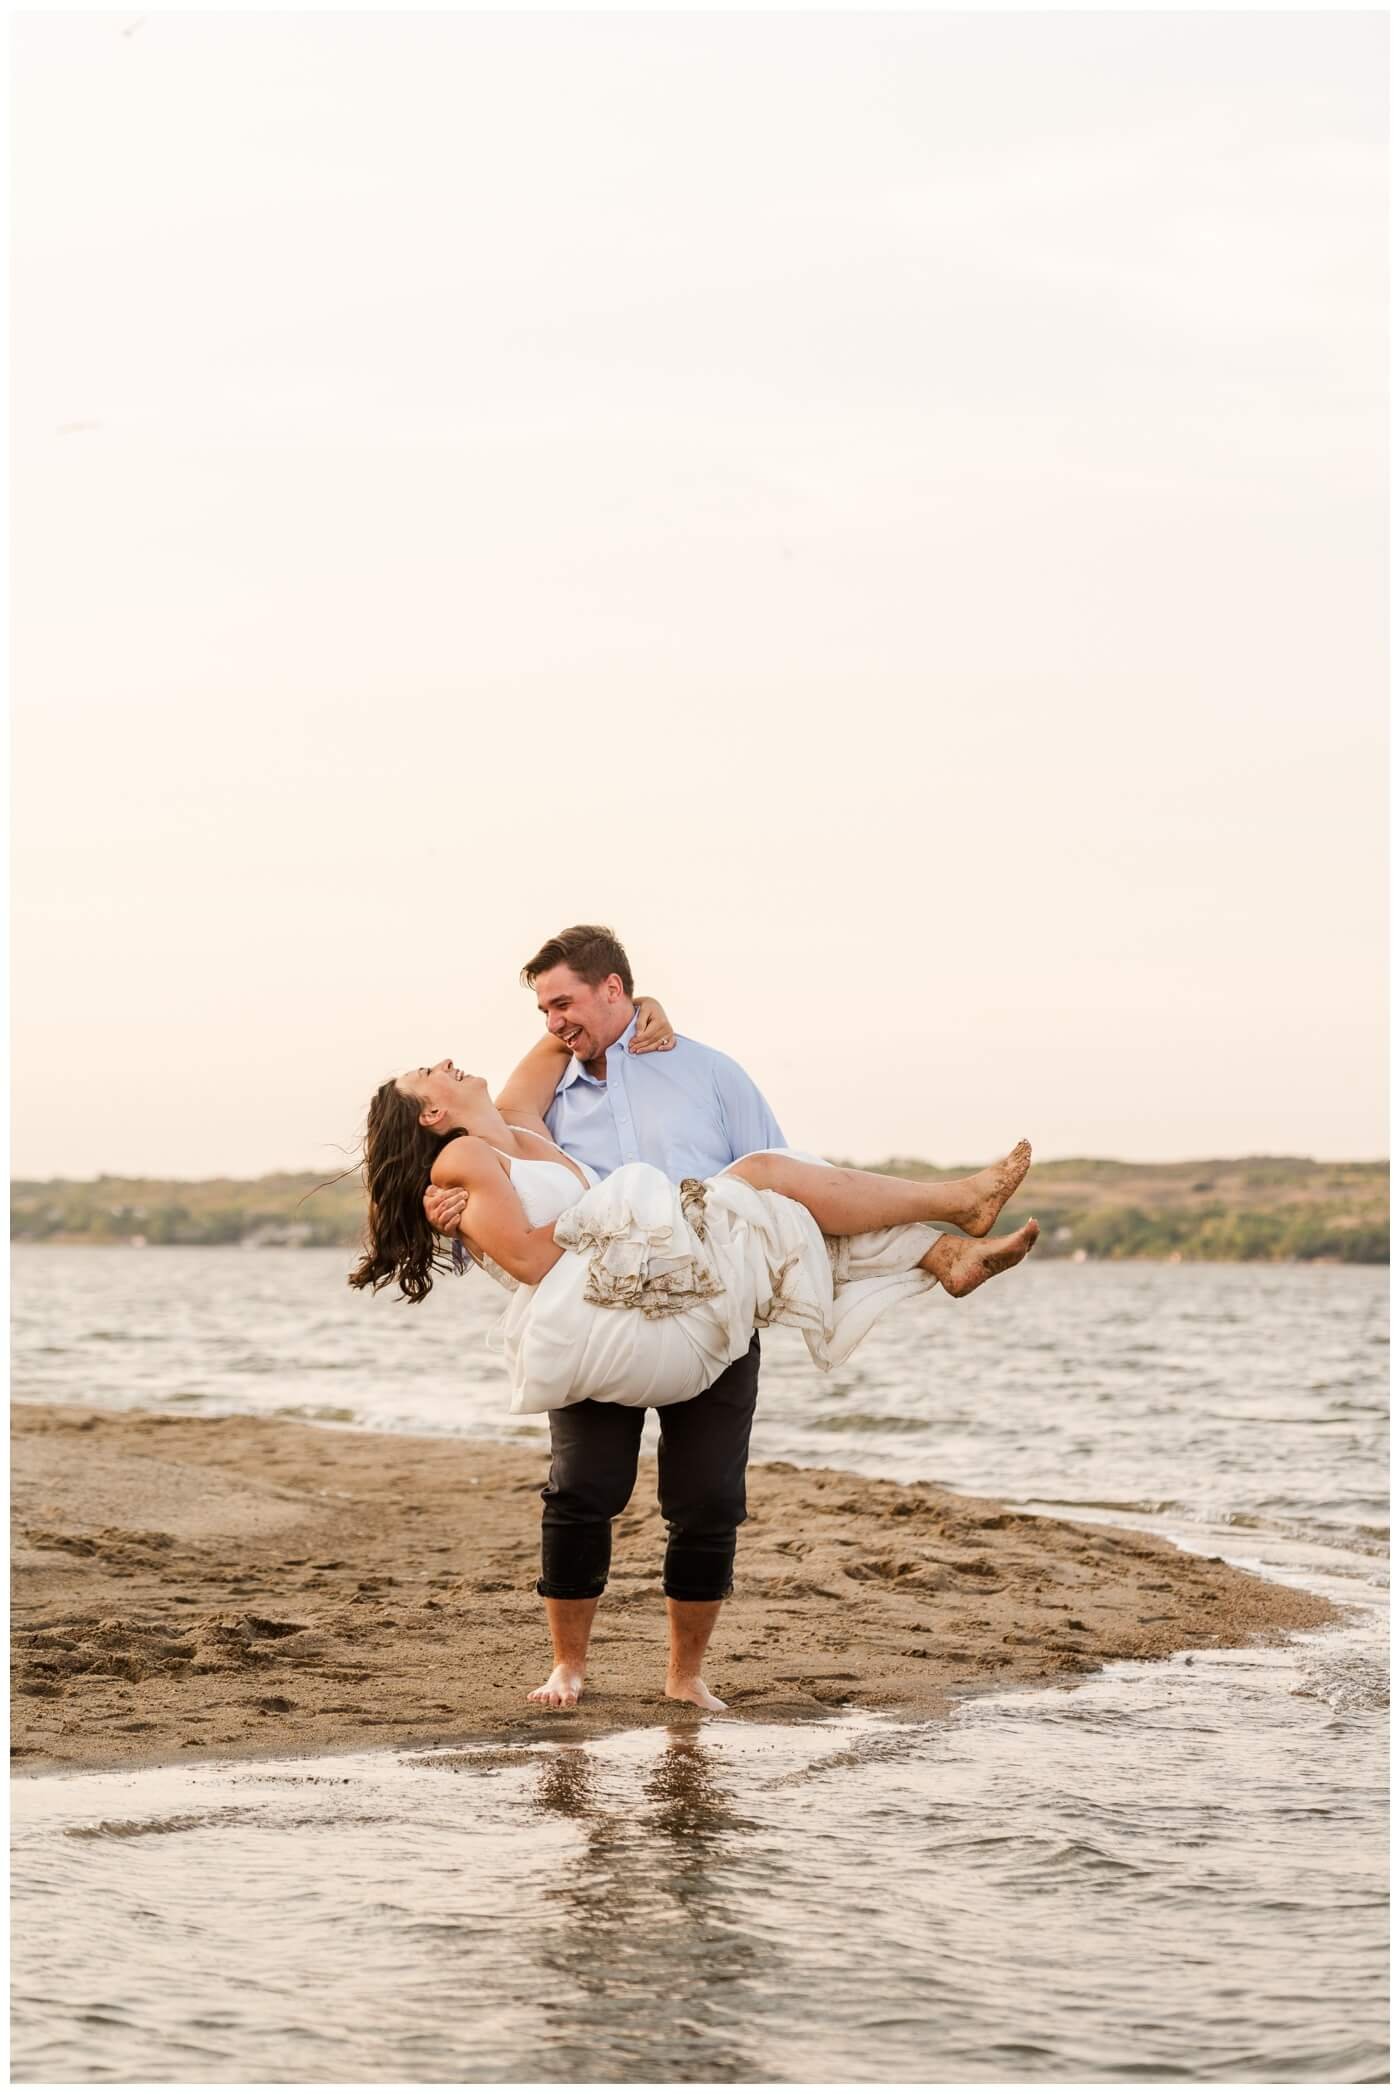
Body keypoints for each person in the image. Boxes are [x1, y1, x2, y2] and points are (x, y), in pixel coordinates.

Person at [351, 927, 1036, 1712]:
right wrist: (464, 1220)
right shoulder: (510, 1125)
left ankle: (685, 1678)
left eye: (563, 1002)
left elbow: (806, 1202)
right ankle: (568, 1668)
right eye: (542, 1009)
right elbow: (529, 1246)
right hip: (602, 1315)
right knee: (584, 1492)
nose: (549, 1024)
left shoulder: (663, 1084)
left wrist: (642, 1005)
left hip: (700, 1303)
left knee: (709, 1495)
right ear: (435, 1109)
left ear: (612, 990)